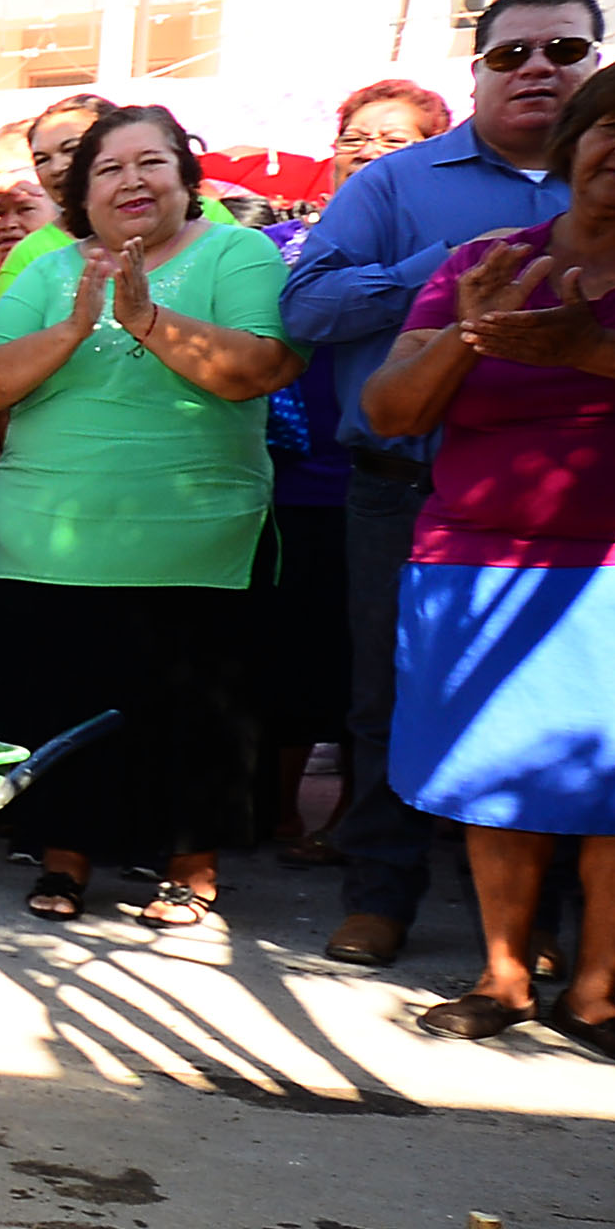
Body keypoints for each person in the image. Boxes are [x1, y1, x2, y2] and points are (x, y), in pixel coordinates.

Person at [355, 47, 615, 1070]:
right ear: (577, 138)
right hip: (480, 561)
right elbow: (390, 408)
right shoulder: (484, 259)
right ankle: (501, 972)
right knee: (501, 777)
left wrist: (593, 348)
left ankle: (594, 991)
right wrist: (472, 330)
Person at [280, 0, 604, 969]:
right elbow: (306, 312)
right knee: (386, 695)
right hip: (405, 483)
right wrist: (438, 267)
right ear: (476, 73)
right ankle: (380, 894)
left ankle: (531, 928)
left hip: (565, 494)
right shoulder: (395, 184)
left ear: (596, 62)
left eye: (563, 49)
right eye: (513, 54)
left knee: (546, 699)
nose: (537, 68)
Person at [0, 104, 299, 928]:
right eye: (108, 169)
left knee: (192, 710)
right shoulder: (46, 267)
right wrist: (78, 326)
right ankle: (64, 855)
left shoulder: (237, 251)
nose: (131, 181)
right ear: (82, 192)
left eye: (152, 163)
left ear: (188, 179)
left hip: (195, 536)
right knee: (64, 698)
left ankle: (190, 865)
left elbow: (258, 367)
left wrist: (146, 318)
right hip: (47, 533)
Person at [250, 79, 455, 855]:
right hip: (292, 482)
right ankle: (276, 810)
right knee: (296, 650)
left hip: (389, 471)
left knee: (369, 664)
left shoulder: (446, 242)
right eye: (356, 138)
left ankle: (359, 824)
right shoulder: (278, 245)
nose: (368, 152)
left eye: (393, 140)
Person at [0, 91, 118, 302]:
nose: (56, 168)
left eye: (71, 149)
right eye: (42, 159)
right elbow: (6, 335)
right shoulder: (29, 255)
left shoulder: (174, 231)